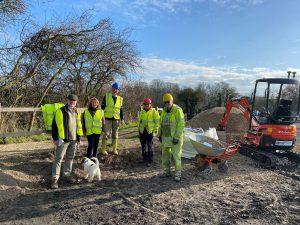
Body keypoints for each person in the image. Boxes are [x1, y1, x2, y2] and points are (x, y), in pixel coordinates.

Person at [51, 94, 83, 189]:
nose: (72, 102)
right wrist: (55, 139)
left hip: (73, 139)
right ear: (68, 100)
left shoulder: (77, 111)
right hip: (63, 139)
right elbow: (54, 126)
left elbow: (78, 125)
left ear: (76, 102)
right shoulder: (60, 111)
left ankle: (67, 175)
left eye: (74, 101)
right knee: (58, 159)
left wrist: (78, 138)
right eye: (71, 100)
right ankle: (55, 179)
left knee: (70, 158)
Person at [158, 93, 185, 182]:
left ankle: (178, 173)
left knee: (176, 156)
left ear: (172, 101)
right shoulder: (164, 111)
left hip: (175, 138)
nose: (167, 103)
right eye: (165, 102)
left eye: (168, 102)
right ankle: (166, 171)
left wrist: (177, 137)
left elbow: (181, 124)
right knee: (165, 155)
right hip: (166, 137)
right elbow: (160, 124)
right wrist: (159, 135)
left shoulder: (177, 110)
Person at [100, 82, 124, 155]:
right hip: (107, 119)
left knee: (115, 134)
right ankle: (103, 149)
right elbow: (102, 108)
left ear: (118, 90)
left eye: (117, 89)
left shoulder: (120, 99)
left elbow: (121, 109)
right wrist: (101, 117)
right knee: (106, 134)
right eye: (114, 88)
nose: (115, 90)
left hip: (116, 119)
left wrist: (122, 119)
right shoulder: (106, 96)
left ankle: (114, 149)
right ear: (112, 88)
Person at [138, 98, 160, 166]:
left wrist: (154, 131)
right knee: (143, 146)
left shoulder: (154, 112)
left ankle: (150, 160)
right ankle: (144, 159)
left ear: (150, 104)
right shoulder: (141, 111)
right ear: (143, 104)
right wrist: (139, 130)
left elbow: (157, 123)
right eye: (145, 104)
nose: (146, 105)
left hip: (150, 132)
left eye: (148, 104)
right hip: (142, 131)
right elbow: (139, 122)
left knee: (149, 145)